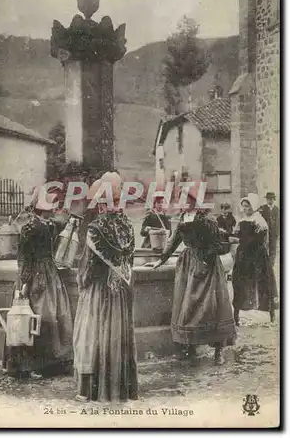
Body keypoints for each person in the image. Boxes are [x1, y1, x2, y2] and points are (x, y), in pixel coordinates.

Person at [151, 186, 236, 365]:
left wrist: (204, 262)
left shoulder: (208, 219)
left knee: (212, 308)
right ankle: (189, 347)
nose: (181, 203)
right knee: (187, 306)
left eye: (185, 200)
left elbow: (215, 244)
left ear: (193, 201)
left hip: (207, 264)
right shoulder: (183, 217)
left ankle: (218, 351)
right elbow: (174, 241)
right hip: (188, 264)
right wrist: (161, 260)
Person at [73, 172, 138, 402]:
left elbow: (89, 265)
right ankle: (119, 389)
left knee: (92, 336)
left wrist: (82, 281)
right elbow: (128, 261)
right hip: (119, 290)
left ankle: (91, 390)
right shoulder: (128, 226)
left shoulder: (94, 228)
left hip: (98, 291)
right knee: (117, 338)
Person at [2, 191, 74, 379]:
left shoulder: (42, 225)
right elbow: (25, 258)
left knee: (42, 316)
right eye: (52, 209)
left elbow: (60, 226)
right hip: (37, 275)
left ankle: (43, 364)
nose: (54, 212)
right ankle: (30, 365)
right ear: (44, 210)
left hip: (45, 272)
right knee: (35, 316)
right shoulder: (31, 228)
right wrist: (25, 283)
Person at [232, 193, 278, 326]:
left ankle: (271, 314)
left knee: (263, 282)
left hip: (257, 255)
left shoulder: (259, 220)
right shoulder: (241, 220)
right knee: (239, 282)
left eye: (248, 206)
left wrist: (240, 240)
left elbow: (258, 240)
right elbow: (236, 234)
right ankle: (236, 316)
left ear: (254, 206)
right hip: (244, 255)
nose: (246, 209)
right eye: (244, 206)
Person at [259, 192, 280, 268]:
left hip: (274, 233)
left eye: (271, 199)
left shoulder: (276, 209)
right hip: (265, 232)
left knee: (273, 249)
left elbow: (278, 222)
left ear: (274, 199)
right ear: (266, 200)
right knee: (264, 248)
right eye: (268, 199)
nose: (270, 201)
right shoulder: (263, 208)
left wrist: (278, 233)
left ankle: (271, 266)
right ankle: (263, 265)